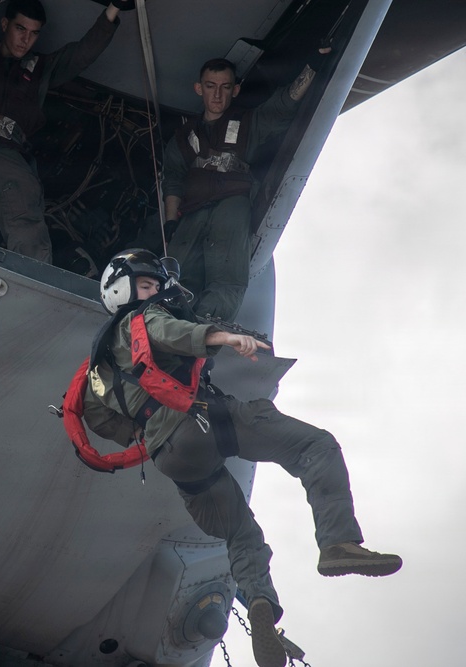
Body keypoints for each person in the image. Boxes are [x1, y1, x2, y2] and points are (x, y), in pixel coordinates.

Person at [76, 249, 402, 667]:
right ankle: (338, 542)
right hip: (202, 422)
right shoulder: (142, 319)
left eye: (156, 285)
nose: (154, 291)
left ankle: (261, 607)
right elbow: (169, 331)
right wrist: (224, 338)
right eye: (145, 284)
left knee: (240, 535)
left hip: (171, 458)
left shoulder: (95, 370)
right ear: (120, 289)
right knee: (315, 446)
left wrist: (149, 428)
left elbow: (100, 420)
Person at [0, 0, 129, 263]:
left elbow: (82, 53)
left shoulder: (40, 68)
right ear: (4, 24)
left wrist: (114, 8)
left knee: (28, 230)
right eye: (20, 29)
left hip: (11, 154)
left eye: (34, 33)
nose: (26, 40)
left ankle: (28, 289)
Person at [161, 54, 326, 320]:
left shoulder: (248, 124)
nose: (217, 95)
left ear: (235, 90)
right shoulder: (184, 137)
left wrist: (315, 66)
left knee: (227, 276)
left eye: (225, 87)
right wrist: (171, 222)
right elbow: (173, 179)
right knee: (175, 273)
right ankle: (167, 326)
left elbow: (283, 105)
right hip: (192, 210)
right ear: (198, 88)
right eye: (210, 86)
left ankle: (208, 330)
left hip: (233, 204)